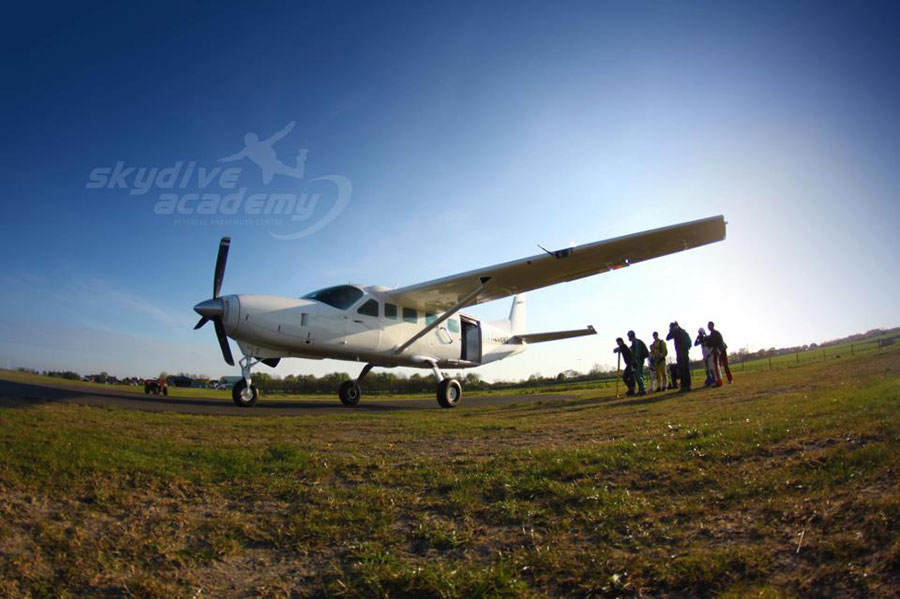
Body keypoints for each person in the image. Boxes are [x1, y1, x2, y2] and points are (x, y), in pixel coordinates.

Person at [667, 321, 692, 392]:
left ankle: (684, 386)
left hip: (680, 352)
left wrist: (670, 331)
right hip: (685, 352)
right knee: (686, 369)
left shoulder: (676, 332)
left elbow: (668, 338)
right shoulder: (683, 331)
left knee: (682, 369)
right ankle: (688, 385)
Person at [707, 321, 733, 385]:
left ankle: (730, 379)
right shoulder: (711, 334)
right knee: (717, 366)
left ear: (713, 326)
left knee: (725, 365)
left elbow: (720, 342)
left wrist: (719, 350)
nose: (708, 327)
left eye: (709, 326)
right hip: (717, 351)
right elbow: (711, 344)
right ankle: (718, 380)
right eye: (708, 326)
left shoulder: (716, 333)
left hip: (721, 350)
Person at [627, 330, 649, 395]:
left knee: (638, 375)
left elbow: (636, 353)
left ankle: (642, 390)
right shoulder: (637, 341)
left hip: (637, 360)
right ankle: (641, 389)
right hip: (640, 360)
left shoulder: (635, 342)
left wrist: (634, 360)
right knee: (640, 375)